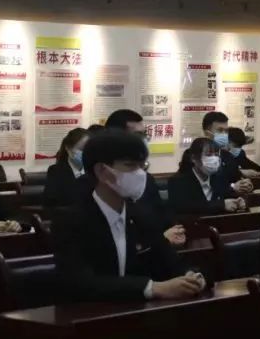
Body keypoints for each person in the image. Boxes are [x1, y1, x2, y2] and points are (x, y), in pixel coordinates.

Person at [52, 129, 205, 302]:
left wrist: (193, 276)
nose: (140, 174)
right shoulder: (71, 221)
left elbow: (172, 262)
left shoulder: (142, 216)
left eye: (142, 166)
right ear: (102, 171)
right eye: (130, 166)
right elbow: (80, 283)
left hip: (138, 312)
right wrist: (151, 288)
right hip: (88, 314)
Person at [104, 109, 185, 247]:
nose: (143, 140)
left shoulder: (146, 179)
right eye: (138, 135)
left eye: (145, 135)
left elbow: (162, 213)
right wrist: (162, 239)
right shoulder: (99, 184)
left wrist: (176, 229)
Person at [167, 137, 246, 216]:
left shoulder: (219, 177)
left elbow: (227, 195)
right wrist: (221, 205)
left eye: (216, 155)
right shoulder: (177, 181)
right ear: (194, 158)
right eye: (208, 155)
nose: (214, 159)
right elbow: (187, 207)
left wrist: (238, 201)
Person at [203, 111, 254, 195]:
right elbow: (204, 189)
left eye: (226, 131)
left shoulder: (227, 156)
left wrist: (246, 185)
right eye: (220, 130)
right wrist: (232, 187)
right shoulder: (194, 156)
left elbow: (237, 179)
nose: (224, 135)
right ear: (207, 133)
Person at [43, 127, 90, 210]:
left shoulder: (93, 170)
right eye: (81, 149)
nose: (85, 153)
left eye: (88, 150)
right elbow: (50, 202)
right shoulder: (56, 171)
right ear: (68, 148)